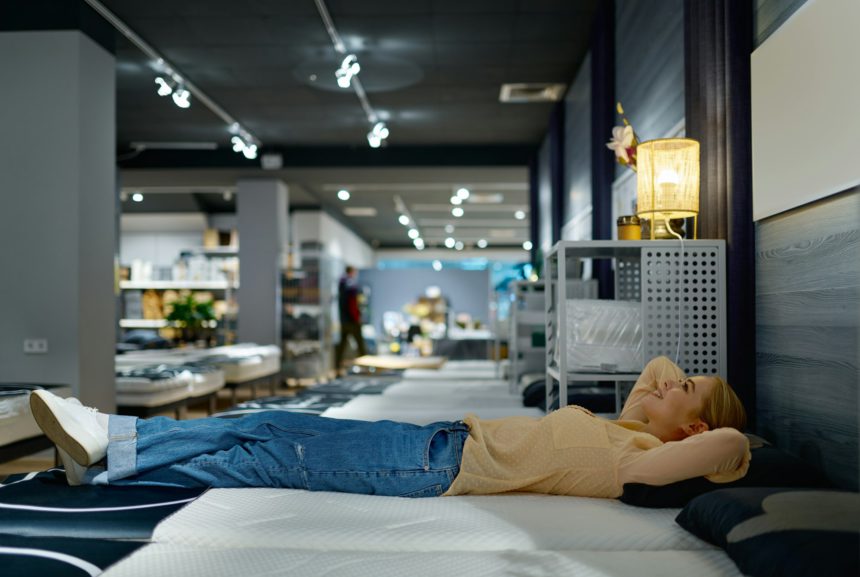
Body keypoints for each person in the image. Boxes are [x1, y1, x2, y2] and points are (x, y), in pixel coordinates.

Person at [29, 356, 749, 499]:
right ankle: (105, 450)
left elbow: (725, 449)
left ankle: (106, 440)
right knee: (267, 427)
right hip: (435, 444)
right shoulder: (620, 424)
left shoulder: (636, 461)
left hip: (432, 467)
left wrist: (729, 431)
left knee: (266, 449)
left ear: (690, 435)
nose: (667, 377)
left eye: (686, 388)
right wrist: (679, 392)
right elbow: (655, 365)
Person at [334, 265, 367, 370]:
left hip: (343, 320)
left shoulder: (341, 282)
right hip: (352, 321)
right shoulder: (351, 284)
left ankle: (337, 367)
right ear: (352, 272)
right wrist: (357, 317)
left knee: (342, 345)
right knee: (360, 344)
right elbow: (352, 304)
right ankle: (365, 366)